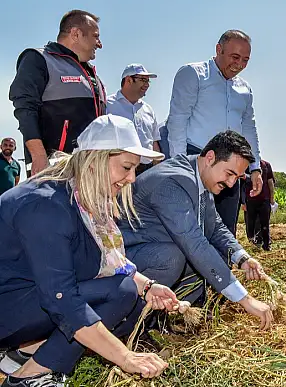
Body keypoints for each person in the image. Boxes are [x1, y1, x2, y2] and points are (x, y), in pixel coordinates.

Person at [0, 115, 177, 387]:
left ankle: (25, 353)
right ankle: (28, 377)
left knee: (127, 290)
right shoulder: (45, 205)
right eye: (126, 167)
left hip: (19, 297)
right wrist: (126, 358)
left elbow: (108, 261)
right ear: (95, 159)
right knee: (118, 293)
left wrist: (148, 285)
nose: (131, 178)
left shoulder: (81, 198)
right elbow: (61, 297)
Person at [119, 131, 274, 329]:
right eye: (229, 174)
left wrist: (242, 258)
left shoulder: (200, 177)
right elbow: (195, 244)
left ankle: (170, 316)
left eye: (237, 177)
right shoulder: (173, 182)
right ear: (210, 157)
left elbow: (215, 226)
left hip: (153, 250)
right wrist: (246, 300)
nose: (231, 184)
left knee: (215, 257)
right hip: (124, 259)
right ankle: (134, 325)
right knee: (174, 257)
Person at [166, 29, 263, 235]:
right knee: (193, 229)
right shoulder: (193, 74)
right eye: (234, 57)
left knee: (226, 228)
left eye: (245, 60)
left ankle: (223, 267)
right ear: (218, 49)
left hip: (232, 167)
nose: (239, 65)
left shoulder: (245, 89)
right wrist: (181, 166)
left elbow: (249, 128)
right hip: (199, 160)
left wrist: (255, 168)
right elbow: (177, 121)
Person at [9, 9, 106, 177]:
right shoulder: (39, 59)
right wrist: (38, 155)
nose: (99, 43)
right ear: (76, 34)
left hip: (90, 171)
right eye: (95, 36)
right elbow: (25, 108)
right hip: (54, 169)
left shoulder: (92, 75)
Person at [106, 64, 161, 175]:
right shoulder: (107, 105)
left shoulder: (148, 110)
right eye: (143, 80)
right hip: (118, 169)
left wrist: (158, 169)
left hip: (147, 170)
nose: (147, 85)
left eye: (148, 81)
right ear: (128, 80)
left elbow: (154, 141)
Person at [245, 159, 276, 251]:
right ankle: (252, 241)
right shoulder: (247, 164)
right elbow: (242, 182)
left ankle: (266, 244)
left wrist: (272, 198)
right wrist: (243, 201)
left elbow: (270, 182)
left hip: (264, 199)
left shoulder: (266, 165)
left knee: (265, 222)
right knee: (250, 222)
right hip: (250, 199)